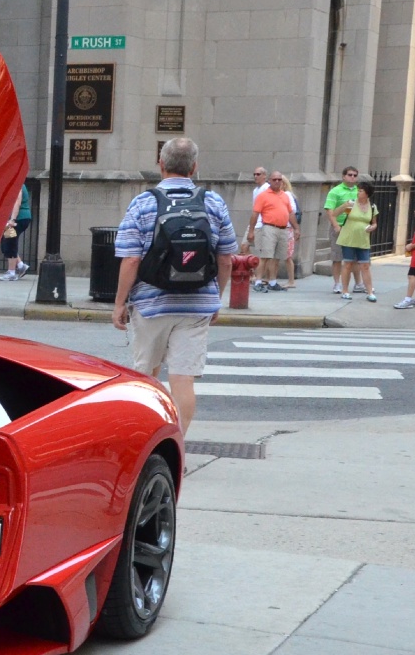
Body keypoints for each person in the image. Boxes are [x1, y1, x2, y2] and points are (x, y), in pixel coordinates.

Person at [109, 137, 235, 436]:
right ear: (194, 167)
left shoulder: (144, 202)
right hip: (197, 304)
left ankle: (147, 441)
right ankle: (177, 443)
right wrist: (216, 297)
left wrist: (119, 304)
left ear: (161, 164)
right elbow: (227, 258)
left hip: (152, 304)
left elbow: (130, 260)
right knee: (183, 380)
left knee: (147, 377)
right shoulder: (213, 202)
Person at [245, 171, 297, 291]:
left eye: (280, 180)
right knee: (265, 256)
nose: (277, 182)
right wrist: (251, 231)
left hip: (283, 228)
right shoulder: (263, 195)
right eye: (275, 179)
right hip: (269, 227)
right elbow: (255, 213)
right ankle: (258, 281)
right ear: (269, 181)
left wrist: (296, 228)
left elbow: (290, 213)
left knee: (277, 257)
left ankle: (273, 282)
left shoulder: (284, 195)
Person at [324, 166, 362, 294]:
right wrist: (335, 226)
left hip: (355, 228)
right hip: (340, 226)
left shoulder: (359, 191)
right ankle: (337, 283)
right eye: (350, 175)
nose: (352, 177)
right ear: (343, 176)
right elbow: (329, 210)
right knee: (337, 257)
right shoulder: (335, 191)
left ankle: (358, 284)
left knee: (356, 258)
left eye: (355, 175)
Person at [335, 189, 376, 301]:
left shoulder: (372, 206)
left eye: (361, 191)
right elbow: (335, 214)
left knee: (365, 265)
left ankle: (370, 292)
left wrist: (373, 226)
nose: (358, 193)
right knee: (347, 263)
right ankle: (345, 291)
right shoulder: (352, 204)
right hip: (348, 238)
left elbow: (374, 222)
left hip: (363, 239)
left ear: (367, 194)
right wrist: (344, 206)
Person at [0, 184, 32, 279]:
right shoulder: (18, 183)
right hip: (19, 218)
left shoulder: (18, 183)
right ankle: (21, 266)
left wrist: (12, 219)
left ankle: (11, 273)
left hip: (18, 219)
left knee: (10, 243)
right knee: (7, 242)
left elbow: (17, 201)